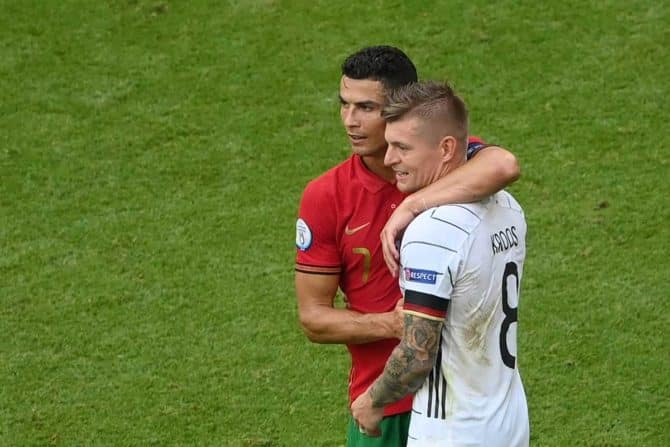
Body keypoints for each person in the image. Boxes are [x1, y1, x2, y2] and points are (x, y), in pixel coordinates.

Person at [295, 46, 521, 447]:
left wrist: (411, 206)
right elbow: (313, 318)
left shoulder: (446, 162)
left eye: (367, 107)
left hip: (456, 399)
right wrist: (392, 323)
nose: (350, 121)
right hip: (387, 405)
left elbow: (503, 165)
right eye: (344, 105)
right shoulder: (326, 196)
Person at [351, 80, 529, 446]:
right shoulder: (510, 208)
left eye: (402, 148)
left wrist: (372, 401)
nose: (389, 159)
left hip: (452, 430)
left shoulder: (431, 232)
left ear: (446, 148)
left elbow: (417, 354)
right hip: (509, 420)